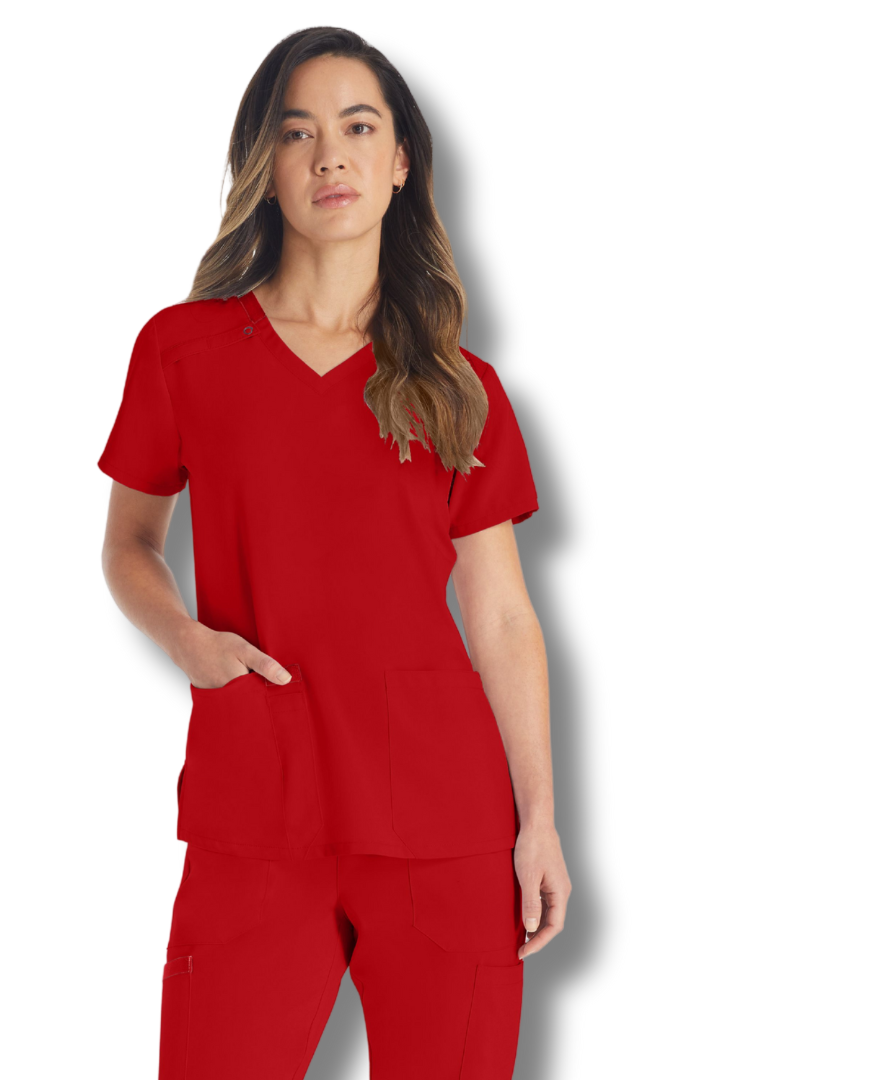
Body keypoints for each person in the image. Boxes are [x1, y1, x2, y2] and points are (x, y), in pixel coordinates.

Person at [97, 25, 571, 1080]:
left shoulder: (460, 388)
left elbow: (502, 616)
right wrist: (185, 639)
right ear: (264, 166)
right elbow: (129, 544)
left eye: (358, 128)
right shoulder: (182, 352)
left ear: (400, 161)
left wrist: (539, 821)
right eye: (297, 132)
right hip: (255, 809)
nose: (329, 157)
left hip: (445, 824)